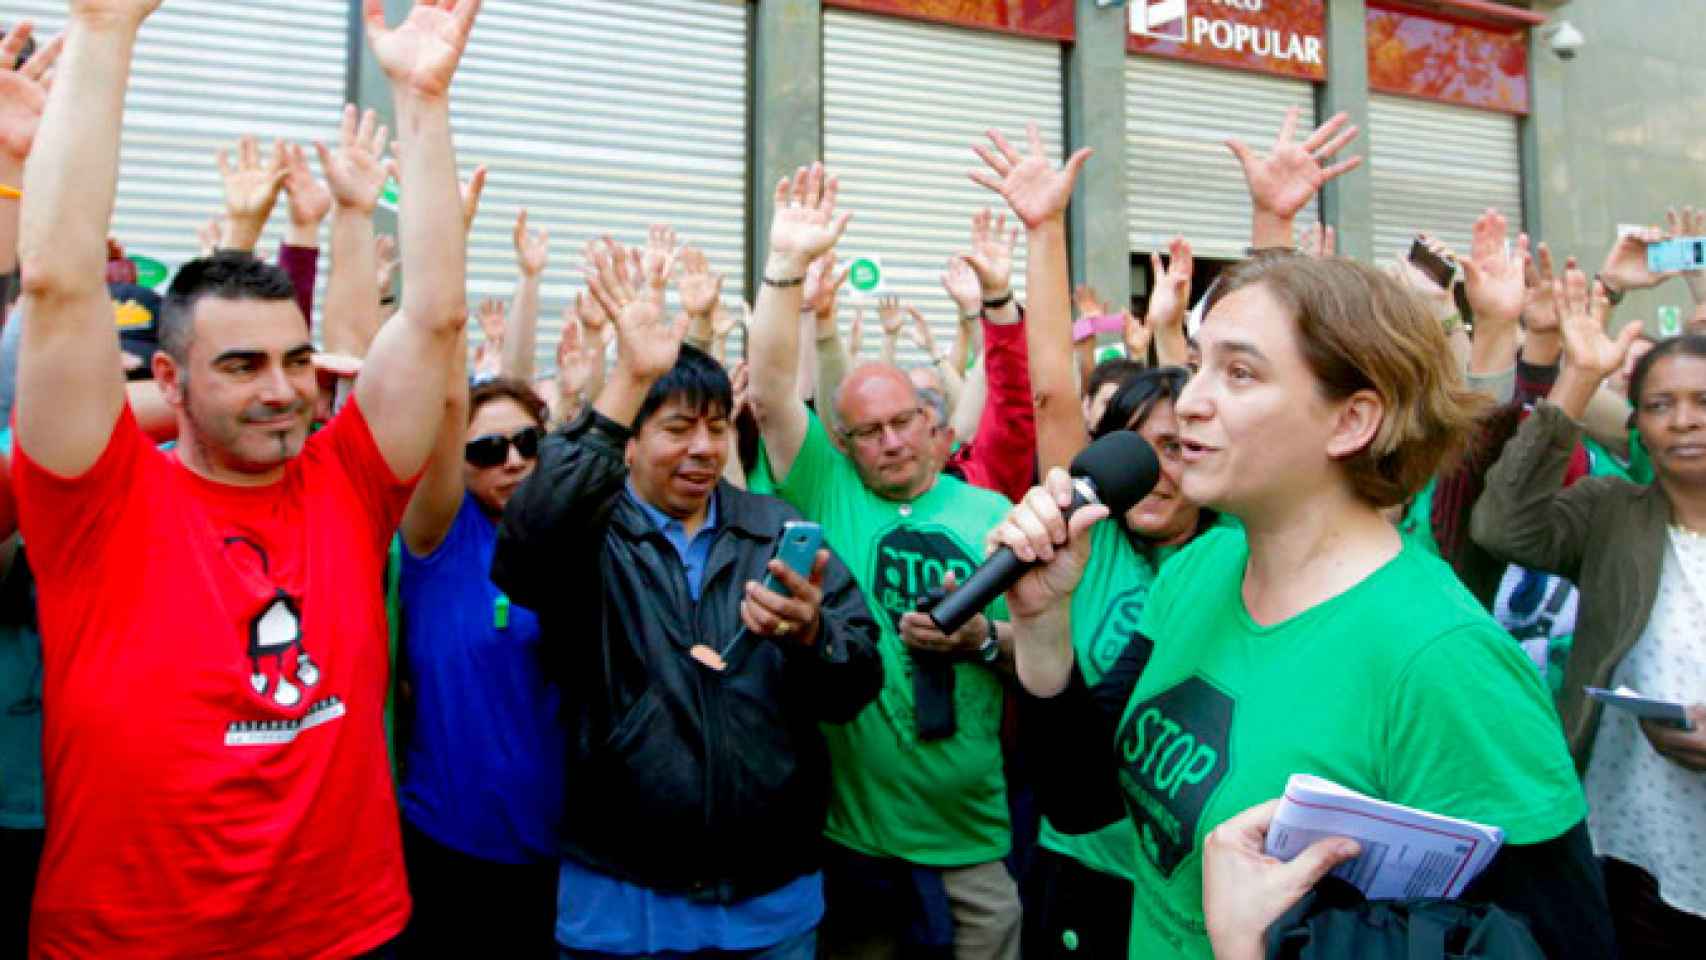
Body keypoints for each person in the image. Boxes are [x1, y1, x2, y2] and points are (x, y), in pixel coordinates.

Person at [9, 0, 478, 954]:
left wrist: (422, 103)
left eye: (297, 361)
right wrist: (104, 35)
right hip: (129, 938)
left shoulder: (348, 478)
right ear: (168, 381)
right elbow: (59, 284)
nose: (284, 392)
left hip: (345, 932)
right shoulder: (92, 499)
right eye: (242, 366)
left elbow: (431, 318)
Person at [996, 249, 1615, 959]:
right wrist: (1042, 624)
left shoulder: (1445, 660)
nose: (1191, 400)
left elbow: (1559, 940)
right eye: (1198, 363)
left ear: (1351, 421)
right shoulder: (1201, 568)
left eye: (1239, 373)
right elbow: (1085, 803)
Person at [492, 235, 881, 959]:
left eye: (713, 426)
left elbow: (858, 681)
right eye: (676, 428)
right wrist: (627, 378)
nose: (702, 448)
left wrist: (812, 634)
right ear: (629, 443)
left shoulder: (777, 529)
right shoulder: (590, 538)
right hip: (621, 899)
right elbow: (524, 552)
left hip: (771, 901)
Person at [745, 162, 1024, 958]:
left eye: (905, 421)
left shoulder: (991, 513)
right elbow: (769, 394)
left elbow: (1041, 657)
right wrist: (787, 270)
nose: (892, 441)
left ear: (936, 426)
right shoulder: (830, 492)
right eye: (869, 431)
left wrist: (976, 642)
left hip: (973, 828)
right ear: (843, 441)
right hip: (856, 831)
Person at [1472, 264, 1706, 955]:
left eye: (1702, 400)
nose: (1685, 420)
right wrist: (1574, 382)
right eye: (1661, 405)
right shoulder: (1612, 515)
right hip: (1627, 846)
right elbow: (1501, 527)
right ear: (1636, 425)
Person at [392, 367, 564, 955]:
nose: (512, 461)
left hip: (559, 845)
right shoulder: (436, 535)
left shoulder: (570, 534)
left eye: (526, 443)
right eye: (487, 450)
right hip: (448, 844)